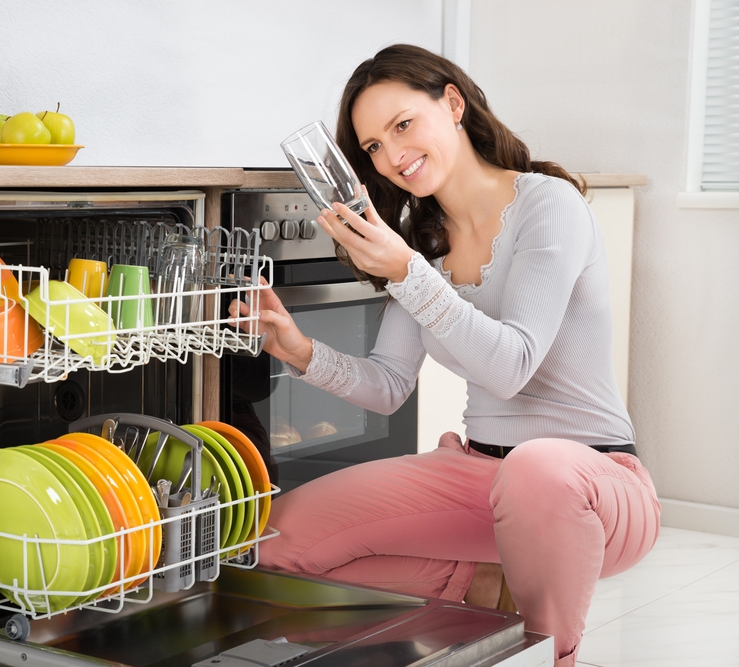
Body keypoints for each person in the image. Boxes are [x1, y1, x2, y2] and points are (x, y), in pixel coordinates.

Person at [230, 44, 661, 667]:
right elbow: (386, 385)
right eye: (373, 146)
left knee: (536, 470)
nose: (392, 154)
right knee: (275, 542)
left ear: (453, 103)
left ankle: (548, 654)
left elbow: (512, 367)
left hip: (593, 488)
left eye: (402, 124)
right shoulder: (422, 247)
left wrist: (408, 274)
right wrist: (297, 350)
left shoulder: (549, 207)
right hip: (480, 480)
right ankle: (482, 588)